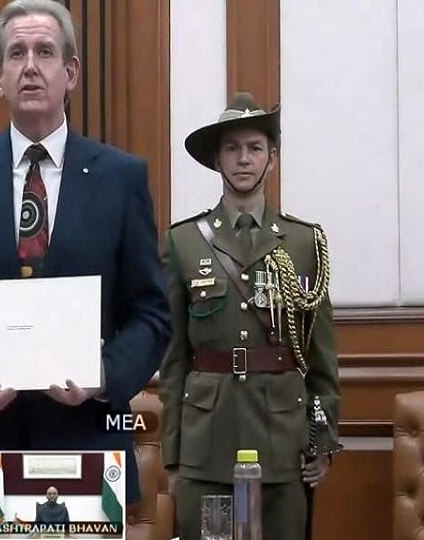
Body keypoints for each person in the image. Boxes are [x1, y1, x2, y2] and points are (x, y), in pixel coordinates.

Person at [0, 0, 170, 536]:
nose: (30, 65)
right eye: (16, 53)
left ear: (70, 73)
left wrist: (102, 377)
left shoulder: (121, 178)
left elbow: (151, 315)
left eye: (45, 52)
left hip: (85, 453)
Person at [159, 92, 340, 540]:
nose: (244, 159)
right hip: (209, 439)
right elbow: (175, 359)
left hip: (282, 438)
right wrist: (174, 454)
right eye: (232, 148)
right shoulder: (184, 243)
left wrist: (322, 440)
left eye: (255, 148)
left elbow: (320, 361)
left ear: (272, 159)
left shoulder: (303, 243)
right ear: (217, 160)